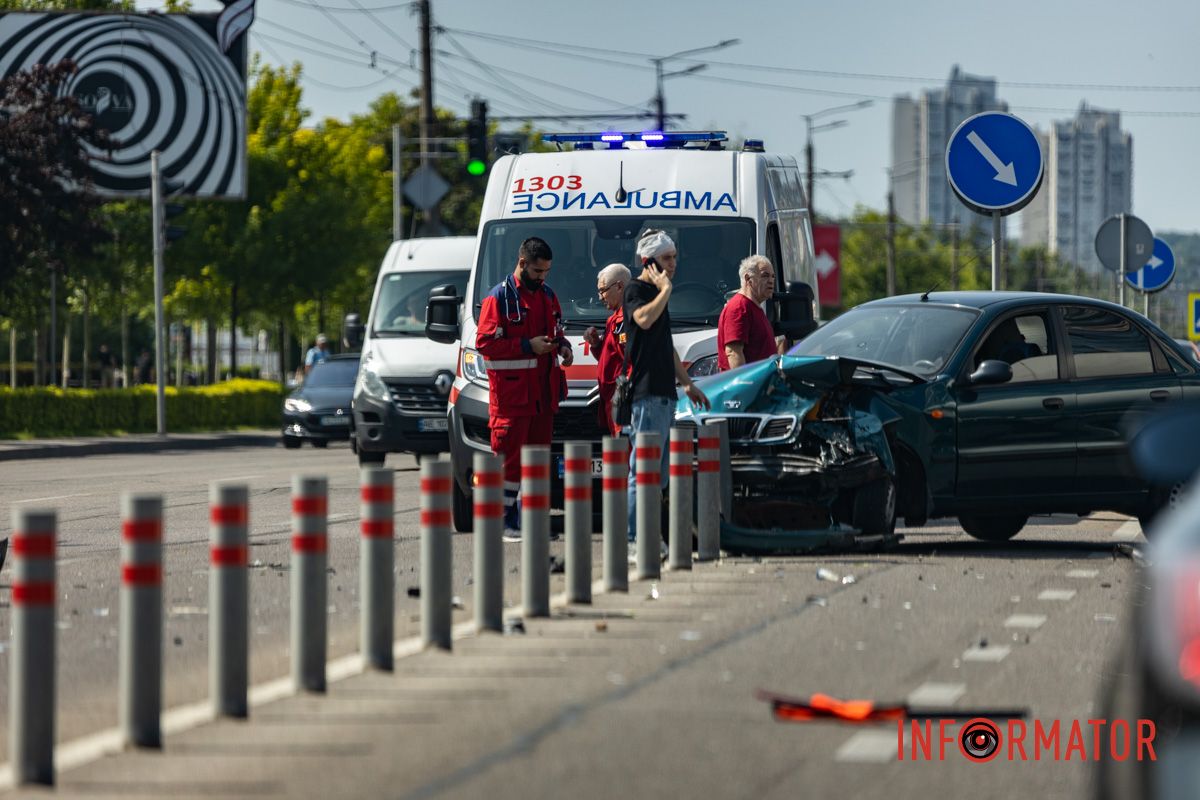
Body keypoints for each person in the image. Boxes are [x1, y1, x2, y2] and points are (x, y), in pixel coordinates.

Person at [476, 236, 573, 540]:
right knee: (509, 463)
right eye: (537, 272)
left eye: (546, 272)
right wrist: (526, 345)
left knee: (536, 462)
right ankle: (502, 522)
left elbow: (556, 331)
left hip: (542, 398)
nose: (542, 278)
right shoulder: (499, 298)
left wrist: (564, 347)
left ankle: (531, 523)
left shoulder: (547, 296)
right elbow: (485, 343)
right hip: (511, 399)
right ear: (522, 264)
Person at [624, 229, 710, 547]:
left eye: (674, 257)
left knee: (658, 477)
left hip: (665, 394)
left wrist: (687, 384)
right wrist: (665, 291)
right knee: (642, 472)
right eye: (666, 259)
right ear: (649, 262)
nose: (673, 264)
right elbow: (643, 320)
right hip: (646, 394)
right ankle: (634, 539)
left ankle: (649, 536)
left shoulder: (659, 294)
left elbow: (666, 344)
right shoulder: (637, 289)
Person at [584, 262, 630, 437]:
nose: (600, 297)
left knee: (624, 453)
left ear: (619, 286)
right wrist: (596, 344)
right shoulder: (614, 319)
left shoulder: (628, 317)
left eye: (603, 290)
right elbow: (611, 357)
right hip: (612, 398)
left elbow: (631, 361)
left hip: (622, 398)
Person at [717, 255, 778, 371]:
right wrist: (746, 385)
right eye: (765, 275)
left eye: (773, 276)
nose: (771, 281)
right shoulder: (739, 308)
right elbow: (733, 353)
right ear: (748, 279)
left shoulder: (753, 307)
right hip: (749, 386)